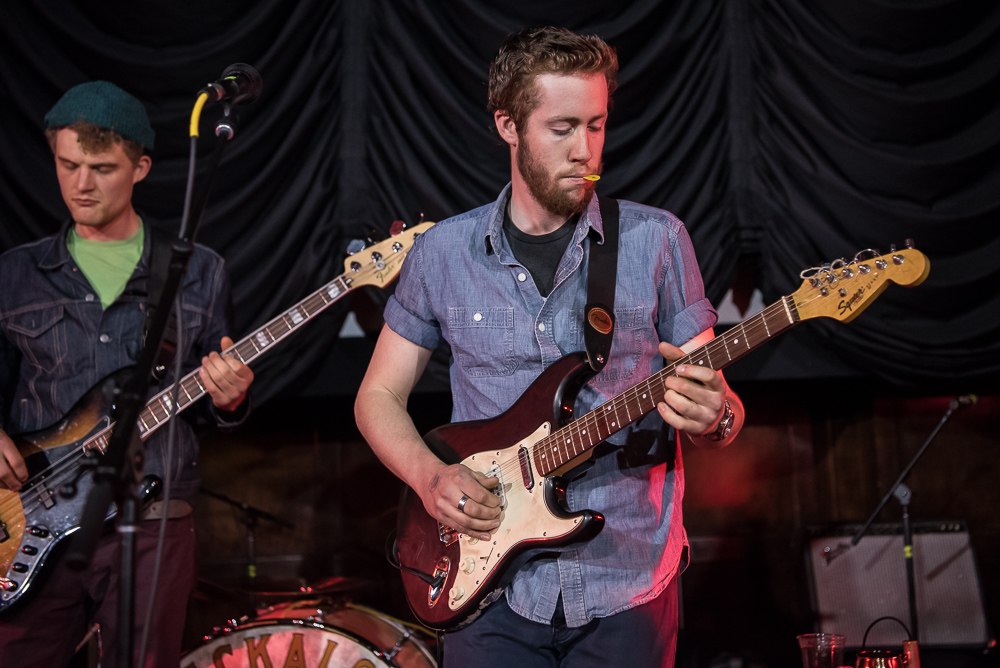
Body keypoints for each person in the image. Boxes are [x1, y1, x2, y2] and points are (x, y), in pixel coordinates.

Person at [354, 26, 744, 668]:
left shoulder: (656, 241)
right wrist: (430, 479)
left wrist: (717, 416)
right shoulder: (442, 253)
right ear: (508, 125)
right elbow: (379, 396)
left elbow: (717, 406)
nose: (585, 151)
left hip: (627, 576)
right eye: (562, 128)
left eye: (596, 126)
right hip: (488, 587)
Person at [0, 81, 254, 667]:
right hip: (30, 518)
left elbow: (214, 410)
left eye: (101, 167)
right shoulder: (15, 274)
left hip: (154, 513)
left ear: (140, 167)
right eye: (68, 165)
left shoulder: (198, 271)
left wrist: (230, 399)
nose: (81, 184)